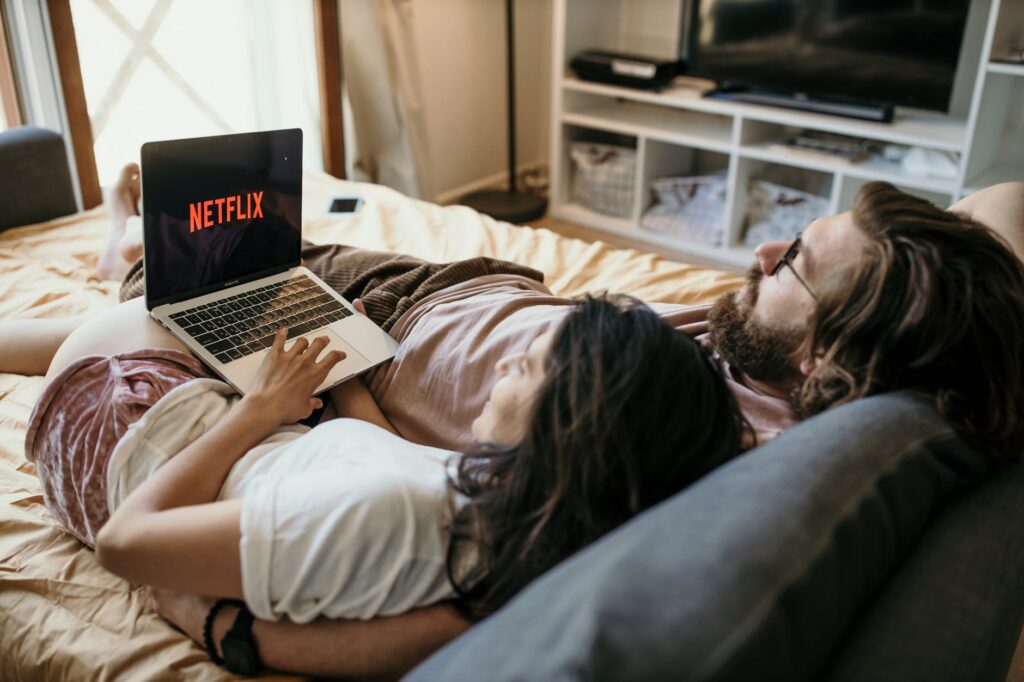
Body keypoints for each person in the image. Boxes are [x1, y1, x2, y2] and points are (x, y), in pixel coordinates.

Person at [14, 288, 745, 677]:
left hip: (126, 425)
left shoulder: (394, 515)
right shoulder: (518, 509)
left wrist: (259, 411)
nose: (501, 367)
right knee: (213, 308)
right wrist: (349, 376)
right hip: (248, 435)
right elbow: (380, 455)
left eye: (525, 367)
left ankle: (122, 258)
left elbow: (127, 544)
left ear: (574, 426)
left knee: (155, 309)